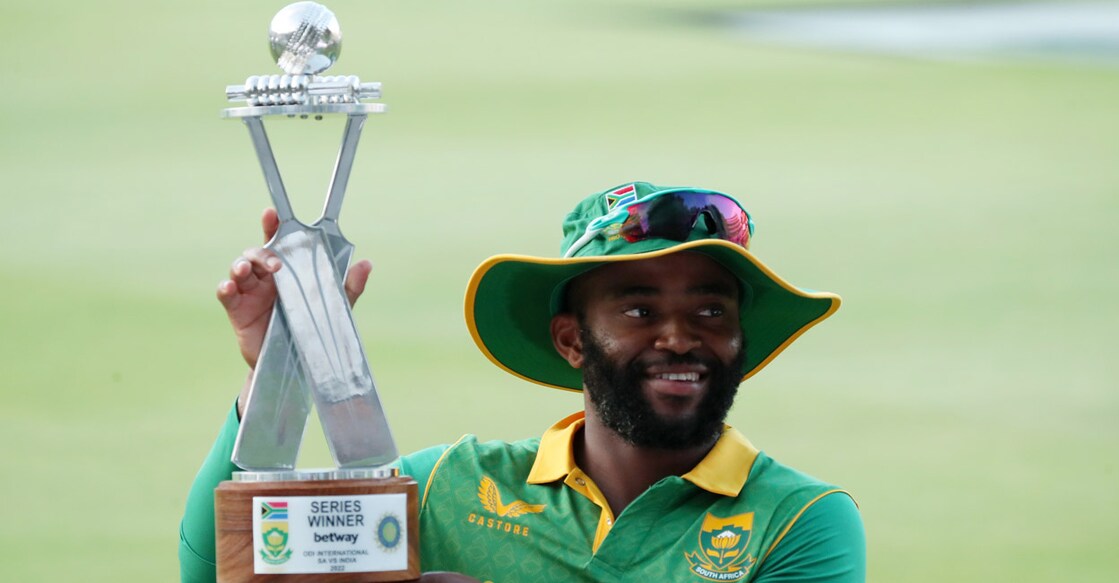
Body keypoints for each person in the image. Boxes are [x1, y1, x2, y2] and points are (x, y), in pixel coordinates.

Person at [180, 182, 866, 582]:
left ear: (739, 339)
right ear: (570, 338)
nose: (680, 336)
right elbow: (219, 568)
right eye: (638, 309)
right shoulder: (450, 487)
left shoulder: (798, 520)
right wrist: (281, 370)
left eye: (710, 310)